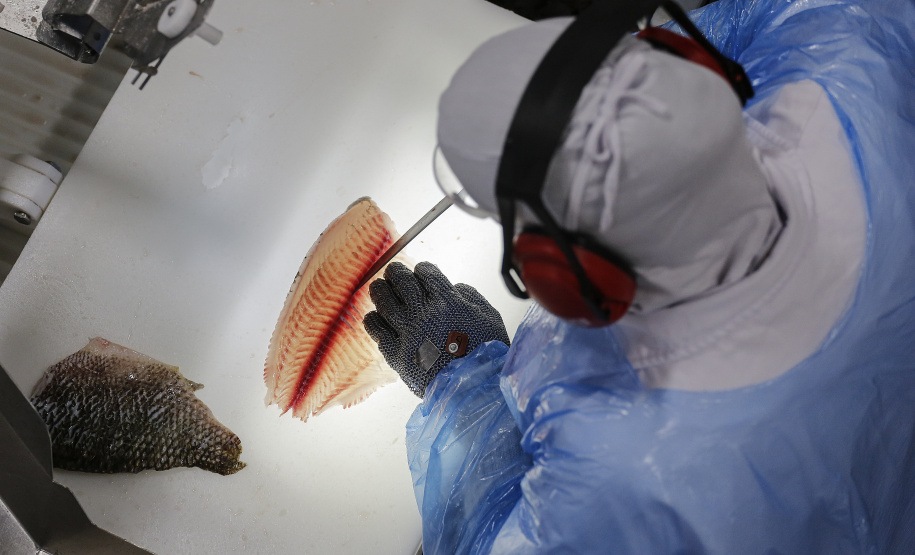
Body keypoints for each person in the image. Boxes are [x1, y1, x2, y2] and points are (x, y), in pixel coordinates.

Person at [363, 0, 915, 552]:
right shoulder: (841, 50)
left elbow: (501, 540)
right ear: (687, 57)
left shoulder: (627, 461)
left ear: (558, 276)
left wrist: (464, 382)